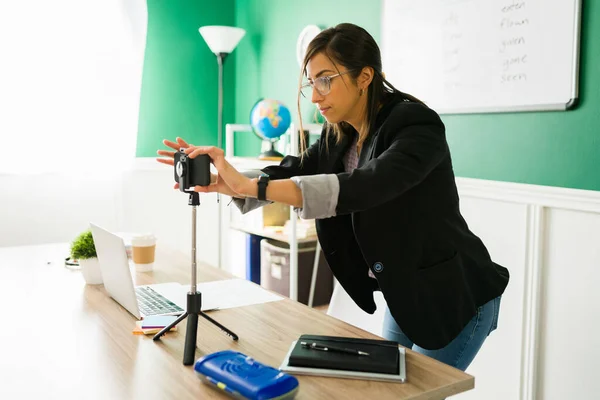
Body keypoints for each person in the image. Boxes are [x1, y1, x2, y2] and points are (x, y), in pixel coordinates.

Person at [157, 22, 509, 371]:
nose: (315, 95)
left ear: (365, 77)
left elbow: (368, 185)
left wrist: (252, 187)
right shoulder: (337, 135)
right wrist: (227, 182)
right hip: (406, 292)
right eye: (312, 83)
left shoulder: (416, 125)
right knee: (387, 392)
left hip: (458, 297)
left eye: (325, 80)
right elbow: (292, 170)